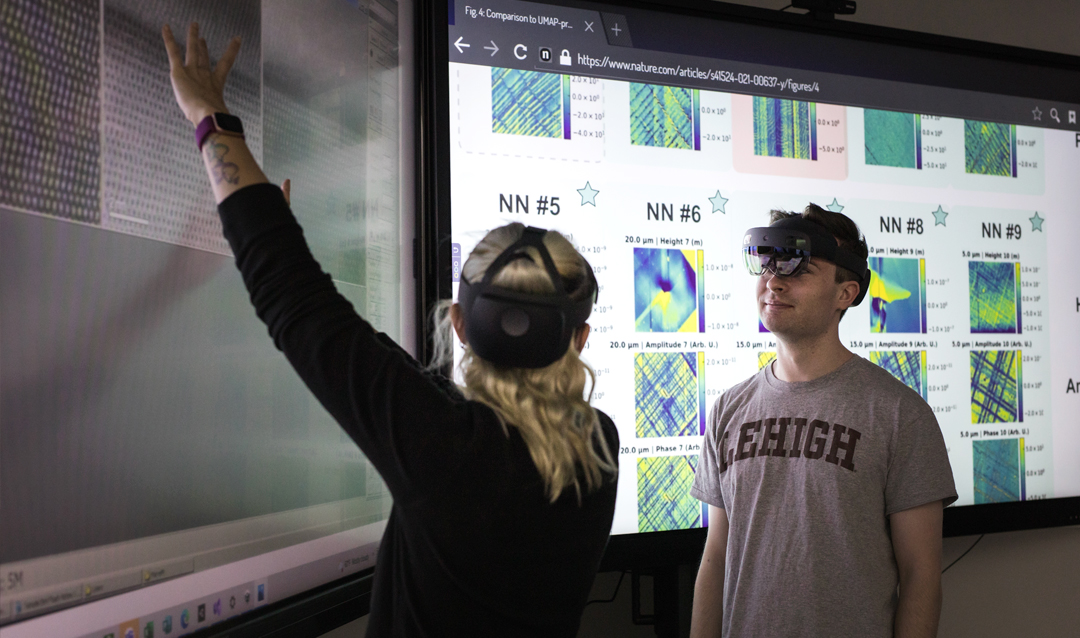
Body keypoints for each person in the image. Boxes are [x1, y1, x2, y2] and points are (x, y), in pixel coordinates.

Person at [161, 23, 618, 636]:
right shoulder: (598, 446)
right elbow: (326, 326)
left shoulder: (447, 447)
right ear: (579, 339)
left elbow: (300, 307)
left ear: (458, 324)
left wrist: (210, 117)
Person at [689, 205, 957, 638]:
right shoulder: (728, 411)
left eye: (800, 269)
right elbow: (715, 558)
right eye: (767, 265)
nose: (774, 281)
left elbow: (921, 577)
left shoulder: (899, 415)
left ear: (845, 293)